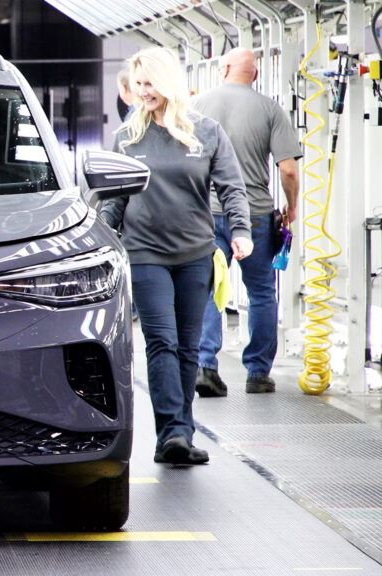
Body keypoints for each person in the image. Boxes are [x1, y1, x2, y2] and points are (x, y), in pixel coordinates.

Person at [99, 48, 252, 466]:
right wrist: (101, 235)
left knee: (188, 347)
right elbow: (113, 199)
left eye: (149, 83)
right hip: (145, 254)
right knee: (162, 343)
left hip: (196, 255)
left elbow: (231, 187)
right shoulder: (127, 138)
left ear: (167, 82)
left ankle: (180, 432)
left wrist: (240, 231)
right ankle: (172, 433)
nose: (143, 91)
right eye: (138, 84)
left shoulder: (206, 132)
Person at [193, 47, 303, 397]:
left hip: (207, 214)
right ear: (255, 74)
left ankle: (205, 367)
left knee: (208, 287)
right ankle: (257, 373)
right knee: (261, 292)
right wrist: (291, 207)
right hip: (254, 214)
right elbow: (288, 170)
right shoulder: (270, 109)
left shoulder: (197, 107)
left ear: (223, 69)